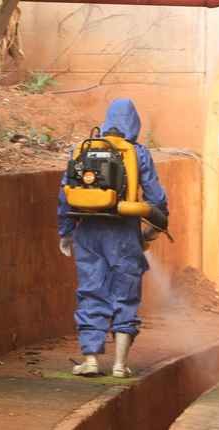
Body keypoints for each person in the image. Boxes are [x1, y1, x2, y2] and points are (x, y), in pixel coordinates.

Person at [57, 98, 168, 378]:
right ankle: (120, 364)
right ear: (134, 123)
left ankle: (91, 360)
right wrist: (152, 231)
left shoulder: (82, 149)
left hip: (87, 233)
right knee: (125, 296)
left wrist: (66, 232)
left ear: (107, 121)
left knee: (90, 292)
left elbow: (64, 194)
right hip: (123, 234)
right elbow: (156, 198)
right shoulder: (138, 153)